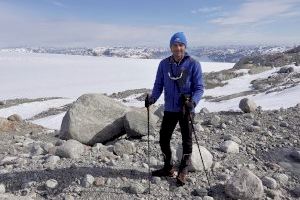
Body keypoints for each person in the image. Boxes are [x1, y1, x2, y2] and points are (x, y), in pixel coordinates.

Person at [145, 32, 204, 186]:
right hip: (170, 109)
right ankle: (168, 167)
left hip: (186, 109)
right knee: (164, 138)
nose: (178, 48)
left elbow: (199, 88)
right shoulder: (164, 64)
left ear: (185, 47)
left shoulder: (193, 64)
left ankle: (183, 170)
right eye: (175, 45)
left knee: (187, 140)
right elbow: (159, 85)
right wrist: (152, 98)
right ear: (171, 47)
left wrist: (194, 102)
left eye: (181, 45)